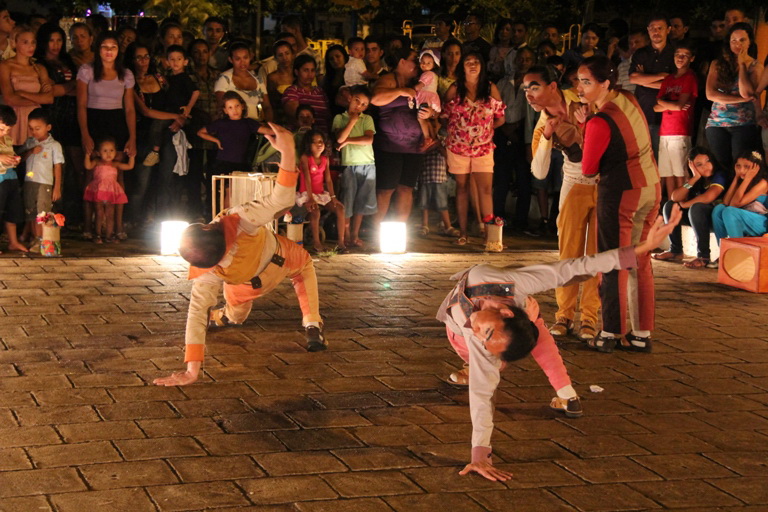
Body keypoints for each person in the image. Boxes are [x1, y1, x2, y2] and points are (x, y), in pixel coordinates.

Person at [441, 204, 682, 482]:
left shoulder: (483, 338)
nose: (480, 332)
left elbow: (481, 397)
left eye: (486, 338)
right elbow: (570, 269)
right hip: (465, 331)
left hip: (500, 328)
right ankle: (547, 384)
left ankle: (541, 381)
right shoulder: (508, 284)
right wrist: (640, 249)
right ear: (505, 313)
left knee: (501, 359)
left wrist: (479, 456)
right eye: (489, 334)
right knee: (524, 336)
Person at [153, 123, 325, 387]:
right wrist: (288, 152)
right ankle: (312, 324)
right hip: (283, 258)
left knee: (234, 315)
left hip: (247, 285)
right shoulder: (237, 219)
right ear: (211, 228)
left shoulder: (208, 273)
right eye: (203, 224)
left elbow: (196, 312)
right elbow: (281, 200)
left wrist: (192, 370)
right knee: (304, 267)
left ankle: (223, 317)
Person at [579, 55, 661, 353]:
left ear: (604, 83)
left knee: (615, 260)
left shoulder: (600, 121)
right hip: (650, 185)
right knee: (640, 260)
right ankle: (641, 334)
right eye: (579, 81)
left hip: (622, 193)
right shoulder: (628, 98)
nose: (580, 88)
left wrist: (585, 125)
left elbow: (588, 168)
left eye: (587, 82)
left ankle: (610, 331)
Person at [525, 65, 599, 343]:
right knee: (569, 253)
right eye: (526, 89)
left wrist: (588, 122)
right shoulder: (542, 124)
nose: (529, 94)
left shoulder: (583, 99)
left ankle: (589, 317)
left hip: (604, 183)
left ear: (552, 87)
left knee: (595, 254)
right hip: (574, 184)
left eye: (534, 86)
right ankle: (564, 314)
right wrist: (546, 136)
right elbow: (540, 172)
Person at [77, 31, 137, 241]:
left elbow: (129, 109)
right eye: (104, 46)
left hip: (117, 123)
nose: (109, 51)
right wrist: (85, 133)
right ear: (97, 49)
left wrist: (132, 137)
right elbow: (81, 105)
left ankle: (117, 226)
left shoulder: (126, 74)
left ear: (119, 50)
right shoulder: (87, 71)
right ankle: (89, 225)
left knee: (117, 177)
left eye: (113, 46)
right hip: (93, 121)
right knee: (91, 176)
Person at [443, 51, 505, 248]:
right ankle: (463, 232)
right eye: (468, 61)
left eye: (476, 61)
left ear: (482, 65)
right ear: (462, 66)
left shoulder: (489, 88)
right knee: (461, 188)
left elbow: (501, 117)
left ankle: (489, 234)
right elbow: (443, 116)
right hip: (458, 147)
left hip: (484, 147)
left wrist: (484, 131)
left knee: (485, 190)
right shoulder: (455, 89)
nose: (472, 64)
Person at [371, 46, 428, 226]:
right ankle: (375, 230)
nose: (417, 64)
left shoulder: (419, 82)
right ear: (402, 62)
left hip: (414, 146)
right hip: (390, 146)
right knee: (386, 190)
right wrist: (401, 91)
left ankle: (400, 229)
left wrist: (430, 115)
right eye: (413, 59)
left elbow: (432, 104)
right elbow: (375, 98)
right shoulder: (387, 80)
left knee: (406, 188)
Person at [35, 22, 83, 227]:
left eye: (59, 40)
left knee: (72, 168)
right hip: (52, 117)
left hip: (72, 117)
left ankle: (69, 213)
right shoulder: (39, 63)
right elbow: (50, 92)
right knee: (50, 166)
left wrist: (65, 88)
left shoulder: (67, 61)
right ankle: (49, 216)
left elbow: (77, 88)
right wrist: (67, 88)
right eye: (51, 40)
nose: (55, 44)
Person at [653, 147, 726, 268]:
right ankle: (675, 250)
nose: (705, 166)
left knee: (697, 208)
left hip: (715, 219)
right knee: (670, 206)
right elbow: (675, 197)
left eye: (708, 161)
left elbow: (709, 196)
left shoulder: (720, 175)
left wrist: (686, 204)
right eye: (699, 164)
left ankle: (703, 256)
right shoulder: (696, 179)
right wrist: (695, 178)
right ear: (692, 167)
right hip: (697, 219)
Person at [705, 22, 763, 173]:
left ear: (750, 41)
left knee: (740, 165)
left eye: (742, 40)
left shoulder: (756, 66)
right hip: (717, 122)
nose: (738, 44)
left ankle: (738, 195)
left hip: (743, 123)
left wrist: (742, 65)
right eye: (734, 40)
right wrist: (740, 100)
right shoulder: (717, 64)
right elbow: (710, 94)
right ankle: (722, 195)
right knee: (720, 165)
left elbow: (747, 93)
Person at [334, 85, 376, 249]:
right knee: (347, 201)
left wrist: (348, 141)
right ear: (349, 98)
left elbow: (369, 140)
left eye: (364, 104)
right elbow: (339, 138)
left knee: (361, 202)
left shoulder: (367, 119)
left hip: (367, 163)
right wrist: (352, 121)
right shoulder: (340, 118)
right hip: (349, 165)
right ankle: (344, 237)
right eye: (357, 101)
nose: (359, 106)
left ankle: (355, 235)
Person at [654, 41, 698, 199]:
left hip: (680, 130)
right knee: (667, 172)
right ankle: (671, 203)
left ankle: (682, 201)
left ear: (691, 58)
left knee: (680, 171)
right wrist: (670, 105)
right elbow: (656, 106)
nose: (680, 58)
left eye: (685, 55)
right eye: (678, 54)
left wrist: (666, 104)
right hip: (665, 130)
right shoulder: (669, 79)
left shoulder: (689, 77)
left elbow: (680, 106)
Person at [143, 44, 199, 167]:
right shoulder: (167, 78)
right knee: (158, 127)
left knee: (158, 126)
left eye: (179, 59)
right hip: (168, 111)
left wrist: (188, 107)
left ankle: (155, 151)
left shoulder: (184, 78)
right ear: (167, 61)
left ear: (185, 62)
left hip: (177, 112)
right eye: (172, 59)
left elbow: (196, 92)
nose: (175, 62)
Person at [630, 15, 676, 158]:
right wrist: (662, 76)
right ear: (648, 30)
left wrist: (644, 80)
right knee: (645, 155)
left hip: (669, 113)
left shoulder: (676, 53)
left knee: (666, 158)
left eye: (660, 28)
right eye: (652, 28)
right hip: (644, 110)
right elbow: (633, 78)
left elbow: (675, 85)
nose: (656, 32)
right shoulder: (641, 53)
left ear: (668, 30)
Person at [198, 91, 273, 177]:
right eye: (230, 107)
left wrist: (282, 131)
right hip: (223, 163)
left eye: (237, 106)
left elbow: (266, 131)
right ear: (225, 110)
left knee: (240, 188)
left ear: (242, 106)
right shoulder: (221, 123)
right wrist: (216, 141)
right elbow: (201, 132)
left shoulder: (249, 123)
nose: (234, 110)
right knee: (226, 188)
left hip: (242, 163)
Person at [0, 27, 54, 146]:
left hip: (33, 119)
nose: (31, 46)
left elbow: (49, 99)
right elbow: (9, 98)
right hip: (12, 116)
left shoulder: (39, 68)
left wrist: (22, 93)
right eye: (25, 42)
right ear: (15, 43)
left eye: (33, 42)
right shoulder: (6, 66)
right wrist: (38, 98)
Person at [18, 108, 63, 247]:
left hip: (45, 183)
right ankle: (35, 238)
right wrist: (30, 151)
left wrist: (57, 187)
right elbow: (20, 158)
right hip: (29, 182)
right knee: (30, 211)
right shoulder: (30, 142)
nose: (34, 132)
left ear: (48, 127)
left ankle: (43, 239)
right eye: (31, 128)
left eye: (37, 128)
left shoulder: (54, 145)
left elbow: (57, 166)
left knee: (42, 212)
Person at [297, 129, 346, 253]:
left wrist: (333, 196)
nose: (319, 144)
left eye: (321, 141)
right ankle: (317, 244)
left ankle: (341, 243)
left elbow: (328, 180)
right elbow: (307, 179)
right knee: (316, 212)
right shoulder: (305, 158)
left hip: (320, 193)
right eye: (315, 142)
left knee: (340, 209)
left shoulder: (325, 159)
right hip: (306, 193)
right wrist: (310, 197)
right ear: (309, 145)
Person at [83, 137, 134, 244]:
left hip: (111, 191)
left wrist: (132, 156)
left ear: (115, 152)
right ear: (98, 152)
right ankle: (97, 235)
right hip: (99, 190)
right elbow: (88, 166)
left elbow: (129, 166)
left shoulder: (115, 164)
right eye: (105, 151)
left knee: (110, 213)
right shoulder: (97, 162)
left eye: (111, 150)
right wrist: (87, 155)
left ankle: (109, 235)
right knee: (99, 212)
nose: (108, 154)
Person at [712, 151, 768, 242]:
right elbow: (726, 202)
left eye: (747, 167)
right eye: (738, 166)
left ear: (757, 168)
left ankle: (737, 249)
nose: (741, 170)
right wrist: (736, 178)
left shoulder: (763, 183)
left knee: (730, 211)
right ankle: (723, 249)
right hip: (744, 217)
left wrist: (748, 179)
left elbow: (734, 205)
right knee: (718, 208)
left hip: (761, 222)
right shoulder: (741, 180)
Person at [215, 42, 272, 122]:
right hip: (233, 125)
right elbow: (221, 106)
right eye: (238, 59)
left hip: (255, 125)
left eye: (245, 58)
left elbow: (267, 107)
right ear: (231, 60)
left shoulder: (257, 80)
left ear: (250, 57)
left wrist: (269, 125)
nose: (242, 62)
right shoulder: (224, 78)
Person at [282, 55, 330, 134]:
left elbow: (327, 117)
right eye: (306, 70)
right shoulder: (292, 91)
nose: (310, 74)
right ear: (297, 72)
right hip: (303, 138)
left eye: (312, 70)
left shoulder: (320, 92)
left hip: (323, 139)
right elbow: (295, 117)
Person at [0, 106, 26, 252]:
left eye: (8, 130)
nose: (4, 133)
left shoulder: (8, 140)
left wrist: (14, 160)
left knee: (13, 211)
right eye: (1, 129)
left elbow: (9, 156)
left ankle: (13, 242)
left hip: (11, 178)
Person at [413, 49, 441, 148]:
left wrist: (411, 90)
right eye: (423, 62)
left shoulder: (428, 74)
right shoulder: (433, 75)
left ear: (434, 64)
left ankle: (427, 137)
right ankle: (433, 137)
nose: (425, 65)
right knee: (426, 119)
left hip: (426, 98)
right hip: (429, 98)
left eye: (428, 63)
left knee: (420, 117)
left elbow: (419, 86)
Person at [266, 40, 295, 123]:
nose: (285, 58)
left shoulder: (299, 74)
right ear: (275, 58)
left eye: (287, 53)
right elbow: (271, 103)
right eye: (280, 55)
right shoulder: (273, 78)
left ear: (292, 54)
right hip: (282, 120)